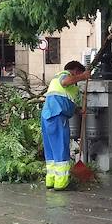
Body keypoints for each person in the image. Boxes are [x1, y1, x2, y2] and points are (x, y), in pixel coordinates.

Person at [41, 61, 91, 191]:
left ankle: (50, 180)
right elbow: (65, 81)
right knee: (61, 148)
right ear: (75, 70)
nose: (77, 79)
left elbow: (66, 100)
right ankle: (61, 183)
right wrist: (84, 76)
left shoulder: (62, 84)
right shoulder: (64, 75)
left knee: (51, 150)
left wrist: (79, 111)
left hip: (47, 115)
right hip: (57, 115)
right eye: (78, 74)